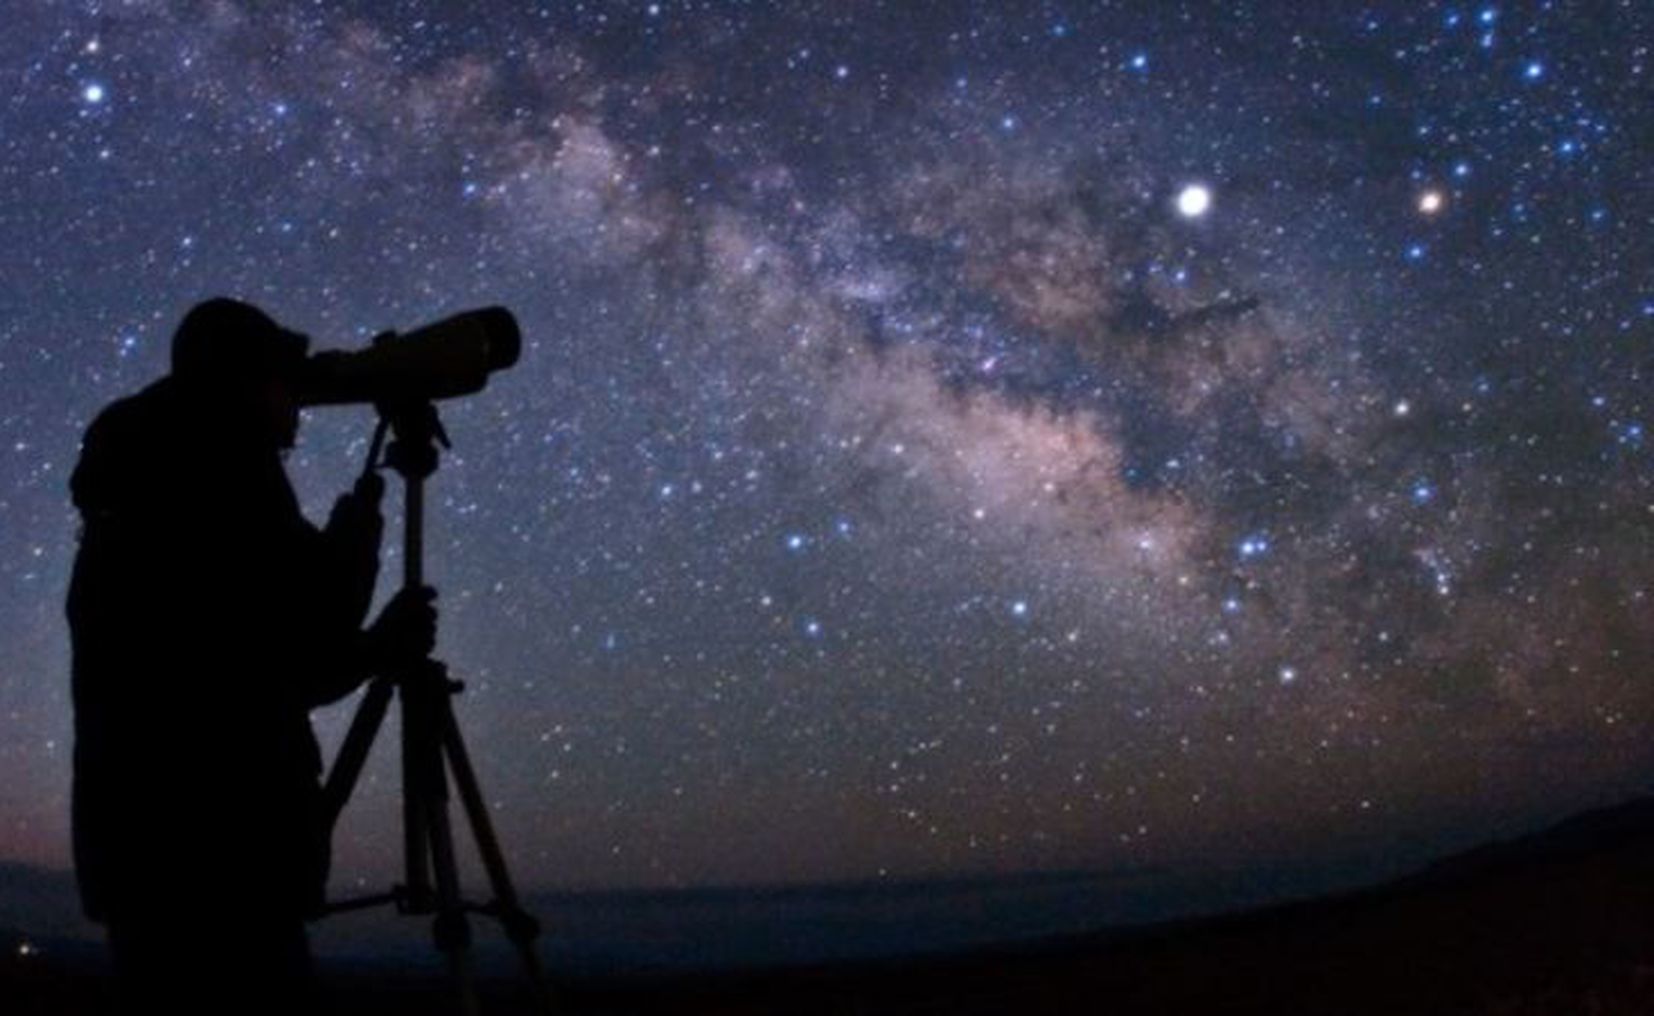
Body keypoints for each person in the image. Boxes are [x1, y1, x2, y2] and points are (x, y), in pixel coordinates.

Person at [66, 298, 436, 1011]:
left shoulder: (138, 475)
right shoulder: (225, 472)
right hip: (227, 860)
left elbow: (232, 654)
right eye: (284, 384)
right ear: (243, 382)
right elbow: (306, 643)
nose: (297, 407)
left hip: (137, 856)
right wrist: (374, 604)